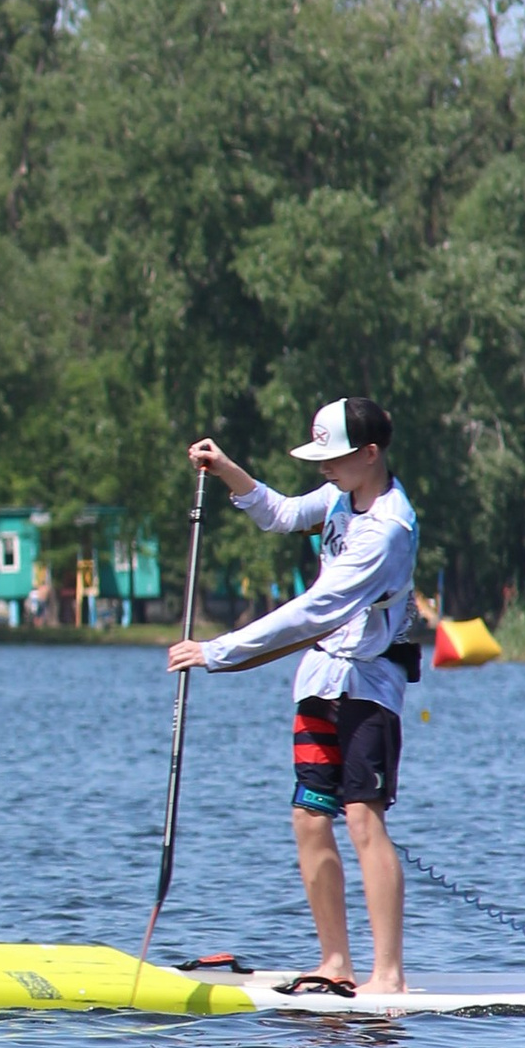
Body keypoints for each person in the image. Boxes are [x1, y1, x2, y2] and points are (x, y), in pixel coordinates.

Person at [166, 398, 420, 997]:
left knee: (363, 819)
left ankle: (388, 976)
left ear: (371, 454)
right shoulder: (337, 498)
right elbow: (279, 513)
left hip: (368, 689)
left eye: (334, 457)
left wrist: (217, 650)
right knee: (310, 816)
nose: (324, 468)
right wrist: (226, 467)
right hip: (319, 684)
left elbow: (315, 610)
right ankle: (335, 963)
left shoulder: (389, 530)